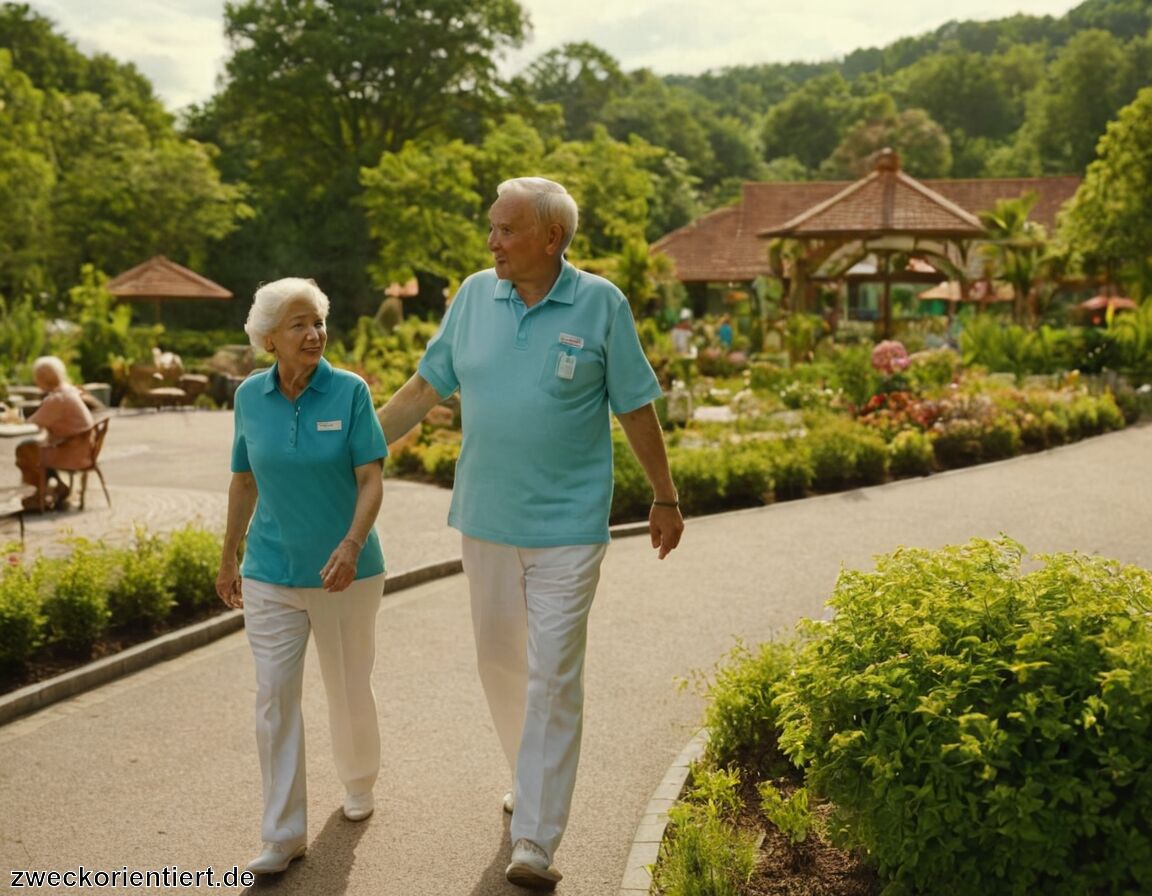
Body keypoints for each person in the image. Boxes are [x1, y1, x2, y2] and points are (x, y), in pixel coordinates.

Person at [376, 177, 684, 890]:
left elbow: (636, 409)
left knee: (553, 676)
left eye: (506, 229)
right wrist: (354, 452)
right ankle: (529, 771)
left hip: (569, 528)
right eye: (491, 227)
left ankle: (537, 838)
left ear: (551, 237)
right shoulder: (475, 296)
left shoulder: (601, 303)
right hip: (485, 519)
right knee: (500, 664)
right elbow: (423, 390)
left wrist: (664, 496)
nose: (492, 242)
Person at [215, 277, 388, 876]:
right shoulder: (248, 399)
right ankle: (283, 833)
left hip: (347, 572)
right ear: (268, 340)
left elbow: (371, 478)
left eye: (317, 320)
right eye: (298, 324)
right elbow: (243, 480)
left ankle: (359, 779)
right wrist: (229, 554)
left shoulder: (349, 392)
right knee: (274, 699)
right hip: (270, 570)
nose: (313, 333)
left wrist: (350, 544)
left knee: (347, 686)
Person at [15, 356, 95, 511]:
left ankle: (38, 496)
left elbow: (32, 423)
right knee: (34, 448)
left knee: (26, 451)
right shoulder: (68, 391)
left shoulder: (57, 399)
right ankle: (57, 487)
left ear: (42, 378)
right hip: (83, 448)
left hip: (74, 453)